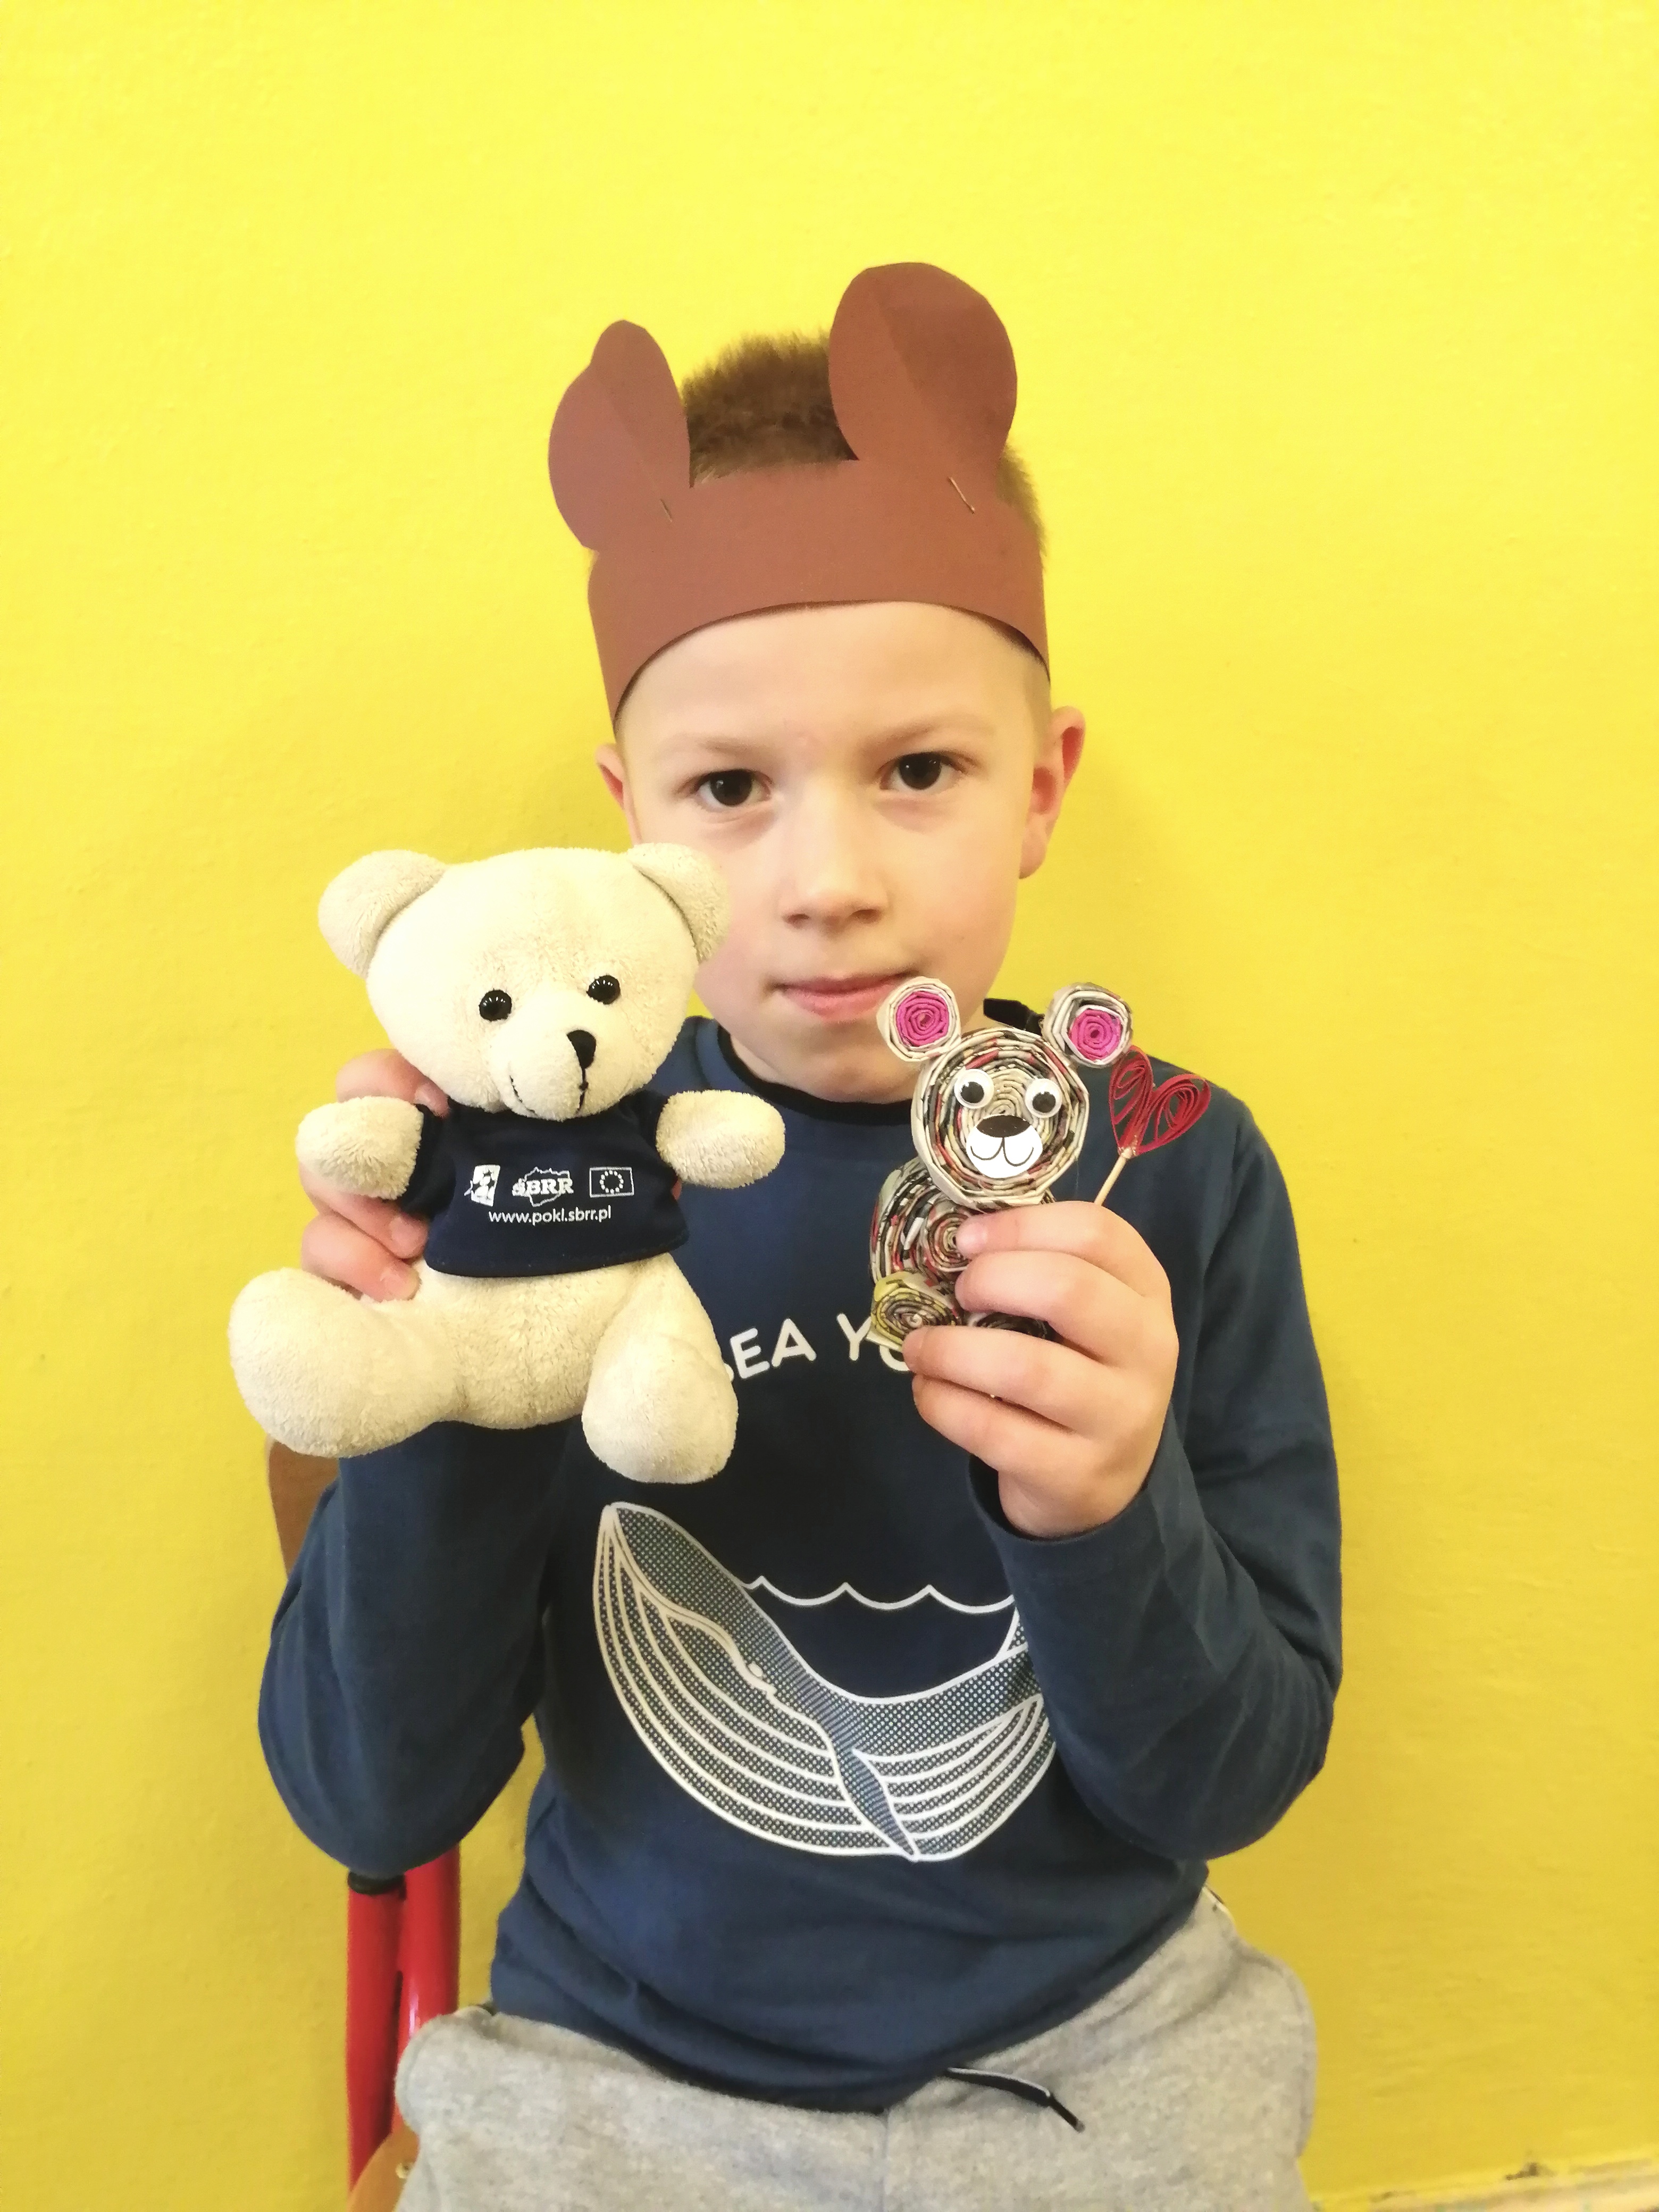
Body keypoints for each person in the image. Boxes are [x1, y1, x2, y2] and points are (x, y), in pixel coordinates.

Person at [261, 264, 1340, 2210]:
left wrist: (1110, 1516)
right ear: (634, 826)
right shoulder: (512, 1180)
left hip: (1101, 2051)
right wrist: (438, 1391)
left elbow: (1233, 1781)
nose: (829, 881)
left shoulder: (1175, 1171)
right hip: (621, 2068)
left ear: (1042, 788)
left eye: (918, 771)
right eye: (730, 790)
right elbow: (372, 1796)